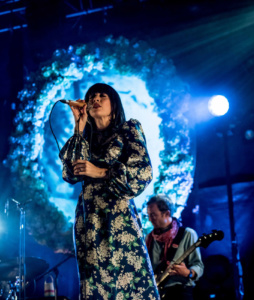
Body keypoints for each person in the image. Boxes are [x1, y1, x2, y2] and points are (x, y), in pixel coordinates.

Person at [59, 83, 160, 300]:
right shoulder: (84, 140)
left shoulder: (128, 129)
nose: (95, 99)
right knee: (95, 285)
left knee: (127, 282)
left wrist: (102, 173)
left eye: (101, 95)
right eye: (91, 96)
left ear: (114, 104)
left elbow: (143, 173)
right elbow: (69, 174)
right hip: (89, 220)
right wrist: (78, 126)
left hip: (118, 217)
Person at [146, 194, 204, 300]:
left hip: (180, 292)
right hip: (158, 294)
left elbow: (198, 265)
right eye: (148, 215)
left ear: (167, 213)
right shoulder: (149, 239)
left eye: (153, 215)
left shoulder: (187, 234)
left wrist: (188, 273)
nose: (150, 219)